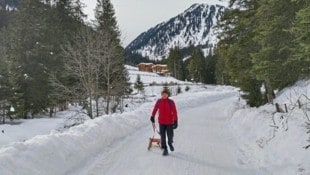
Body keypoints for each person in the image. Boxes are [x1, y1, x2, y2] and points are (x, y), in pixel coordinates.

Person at [150, 88, 178, 156]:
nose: (164, 95)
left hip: (169, 122)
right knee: (162, 136)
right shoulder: (159, 101)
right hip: (161, 122)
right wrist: (152, 116)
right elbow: (155, 109)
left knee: (170, 135)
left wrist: (176, 120)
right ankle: (165, 149)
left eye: (166, 94)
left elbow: (174, 112)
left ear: (168, 95)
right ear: (161, 95)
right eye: (163, 94)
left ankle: (170, 143)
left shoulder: (171, 102)